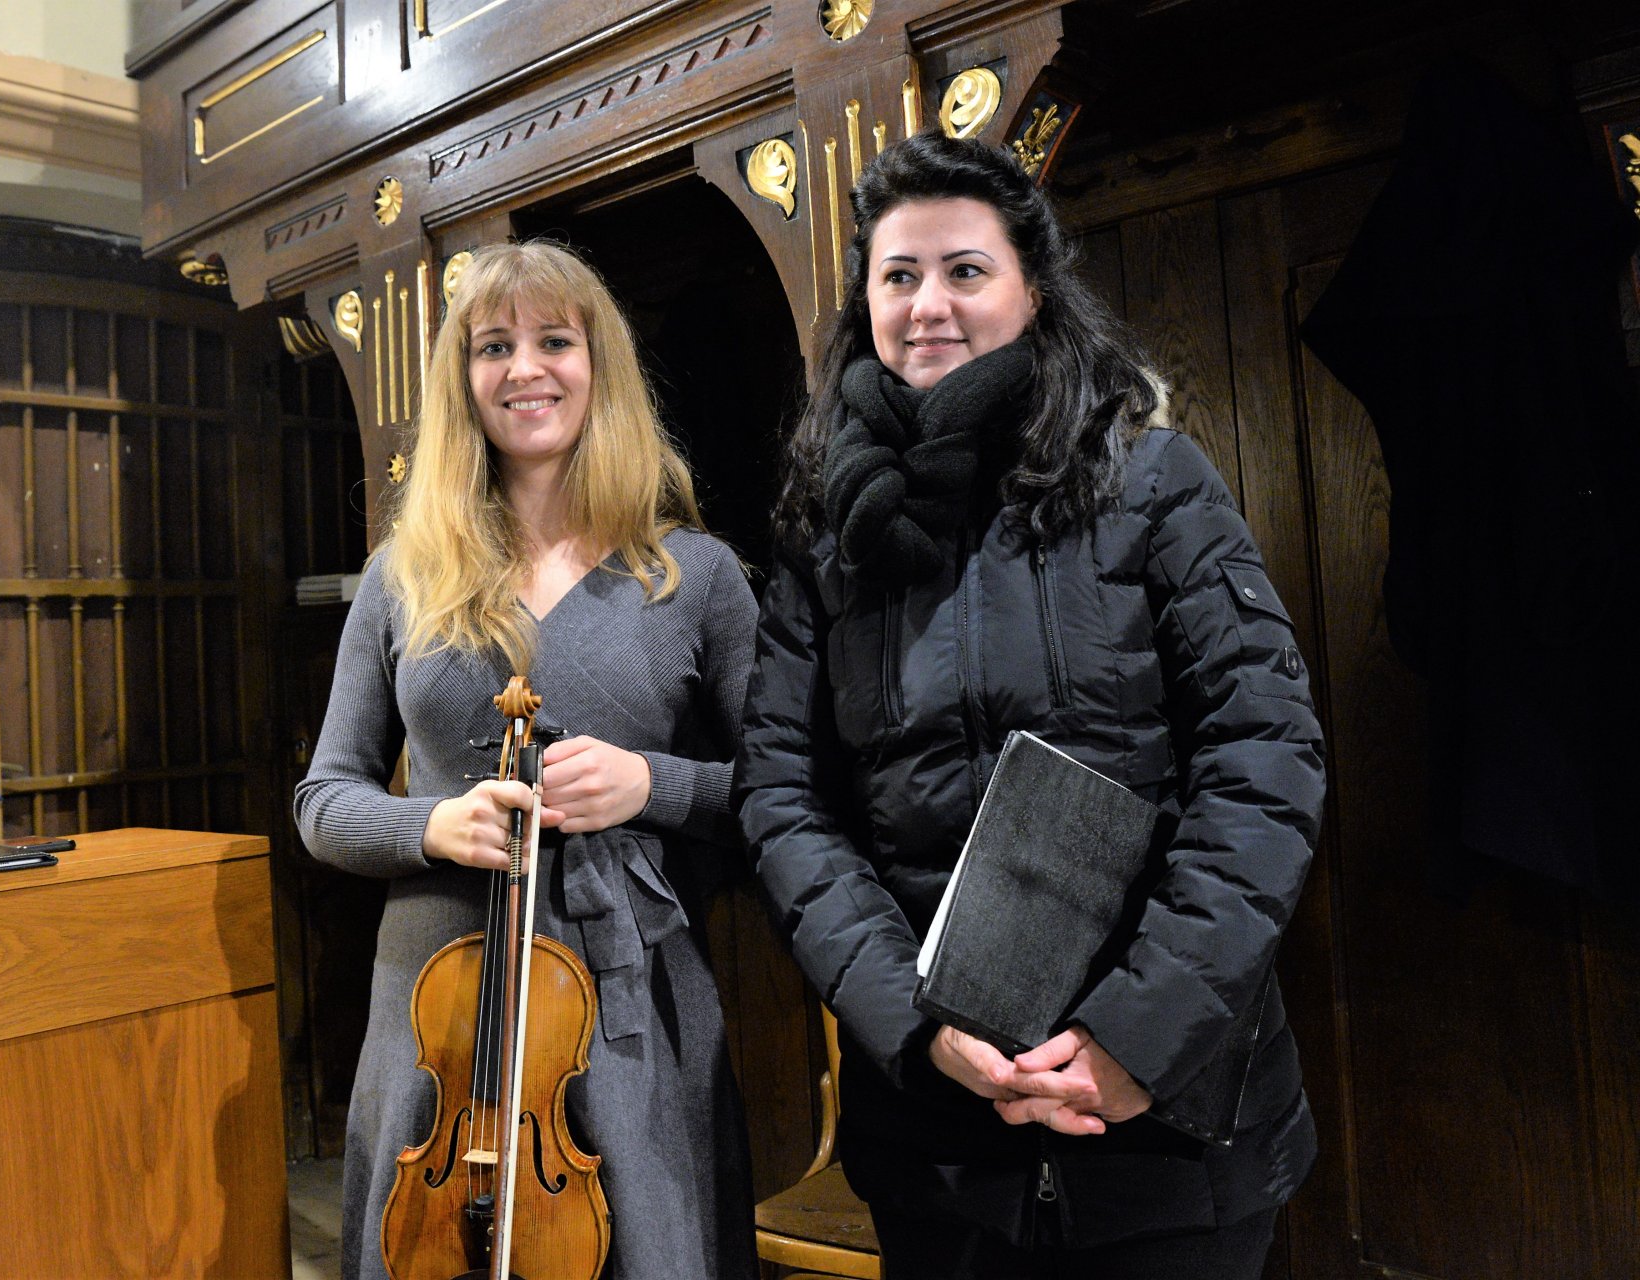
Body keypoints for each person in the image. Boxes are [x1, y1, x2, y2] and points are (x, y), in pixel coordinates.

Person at [735, 131, 1326, 1278]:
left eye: (966, 269)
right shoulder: (825, 539)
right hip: (940, 1147)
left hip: (1168, 1132)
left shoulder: (1152, 479)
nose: (928, 304)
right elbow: (783, 798)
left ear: (1034, 291)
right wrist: (916, 1022)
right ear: (865, 303)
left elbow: (1265, 757)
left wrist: (1139, 1033)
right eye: (898, 275)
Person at [296, 241, 759, 1280]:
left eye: (555, 340)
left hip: (628, 999)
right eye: (493, 347)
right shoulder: (402, 576)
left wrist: (651, 784)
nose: (525, 369)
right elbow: (322, 800)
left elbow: (781, 795)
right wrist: (430, 823)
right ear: (462, 380)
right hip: (439, 1009)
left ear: (600, 366)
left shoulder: (696, 574)